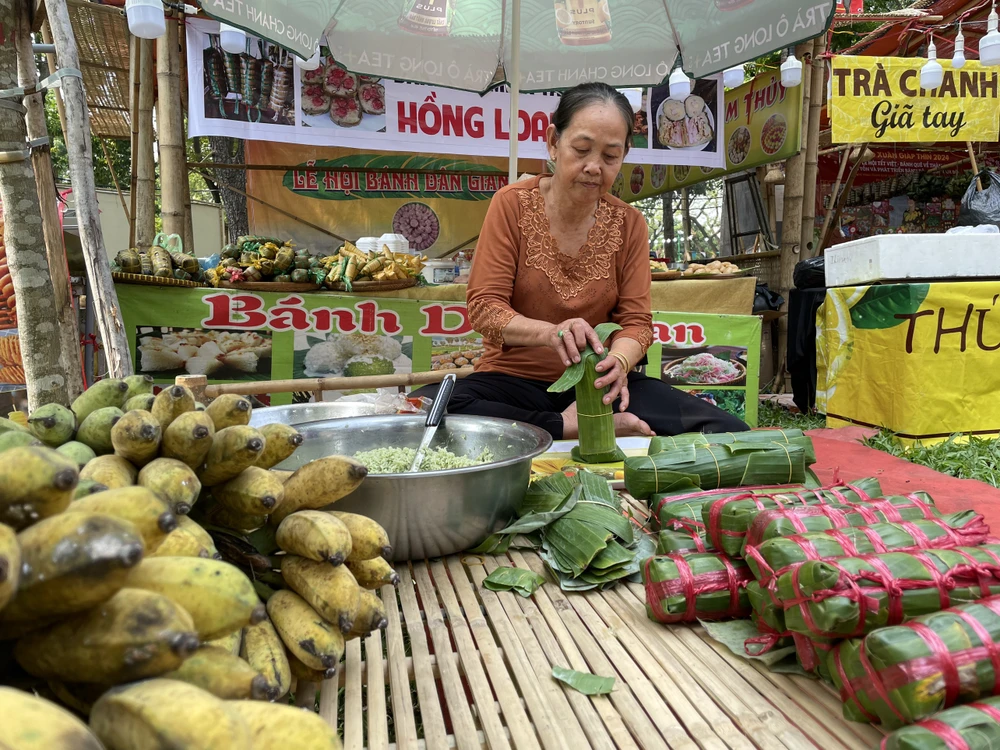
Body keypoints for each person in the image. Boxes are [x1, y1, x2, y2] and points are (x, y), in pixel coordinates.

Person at [414, 82, 748, 440]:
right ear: (553, 143)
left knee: (727, 428)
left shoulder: (629, 224)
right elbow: (485, 308)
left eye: (609, 156)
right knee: (428, 408)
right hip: (512, 381)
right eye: (581, 149)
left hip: (600, 385)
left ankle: (569, 423)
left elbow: (636, 323)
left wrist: (616, 364)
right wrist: (550, 333)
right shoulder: (511, 204)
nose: (593, 167)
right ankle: (569, 426)